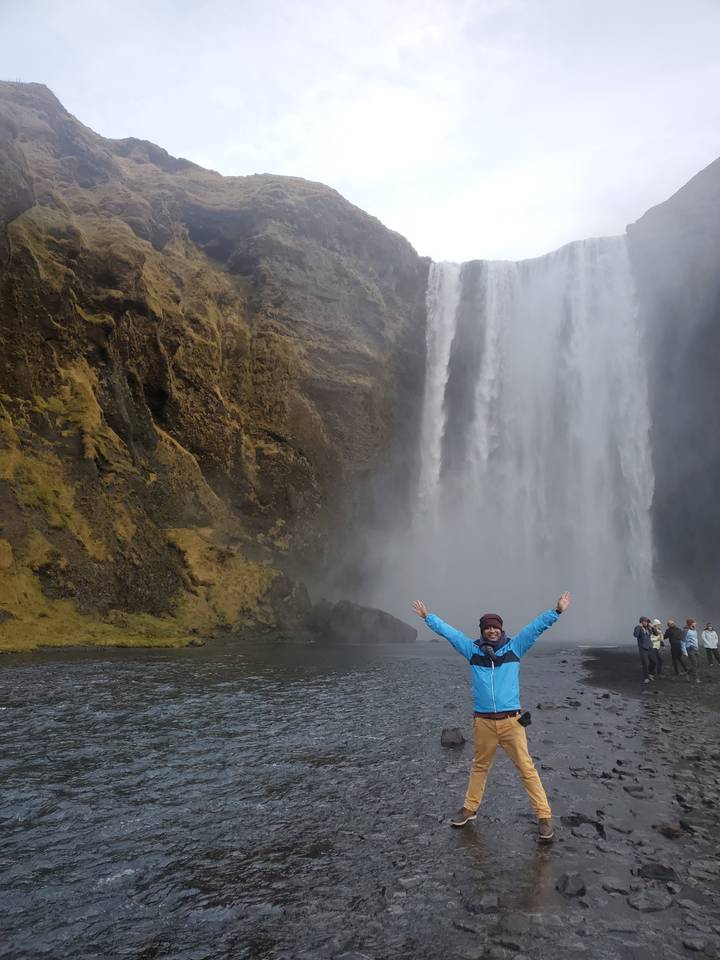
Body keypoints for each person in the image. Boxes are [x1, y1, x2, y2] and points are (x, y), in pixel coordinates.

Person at [412, 591, 571, 844]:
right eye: (487, 628)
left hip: (512, 722)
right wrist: (428, 618)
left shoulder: (515, 648)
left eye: (495, 628)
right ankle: (470, 809)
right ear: (482, 631)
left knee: (527, 770)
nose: (492, 632)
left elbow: (535, 628)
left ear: (501, 629)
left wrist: (557, 611)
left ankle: (544, 817)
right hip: (484, 722)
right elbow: (450, 633)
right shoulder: (472, 651)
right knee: (479, 767)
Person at [633, 617, 654, 683]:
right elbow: (635, 635)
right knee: (646, 663)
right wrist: (639, 627)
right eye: (645, 621)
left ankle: (650, 674)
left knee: (654, 661)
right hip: (643, 649)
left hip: (650, 647)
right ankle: (646, 677)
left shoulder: (648, 628)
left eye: (647, 621)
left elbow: (655, 633)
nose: (646, 623)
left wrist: (652, 627)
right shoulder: (638, 628)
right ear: (641, 622)